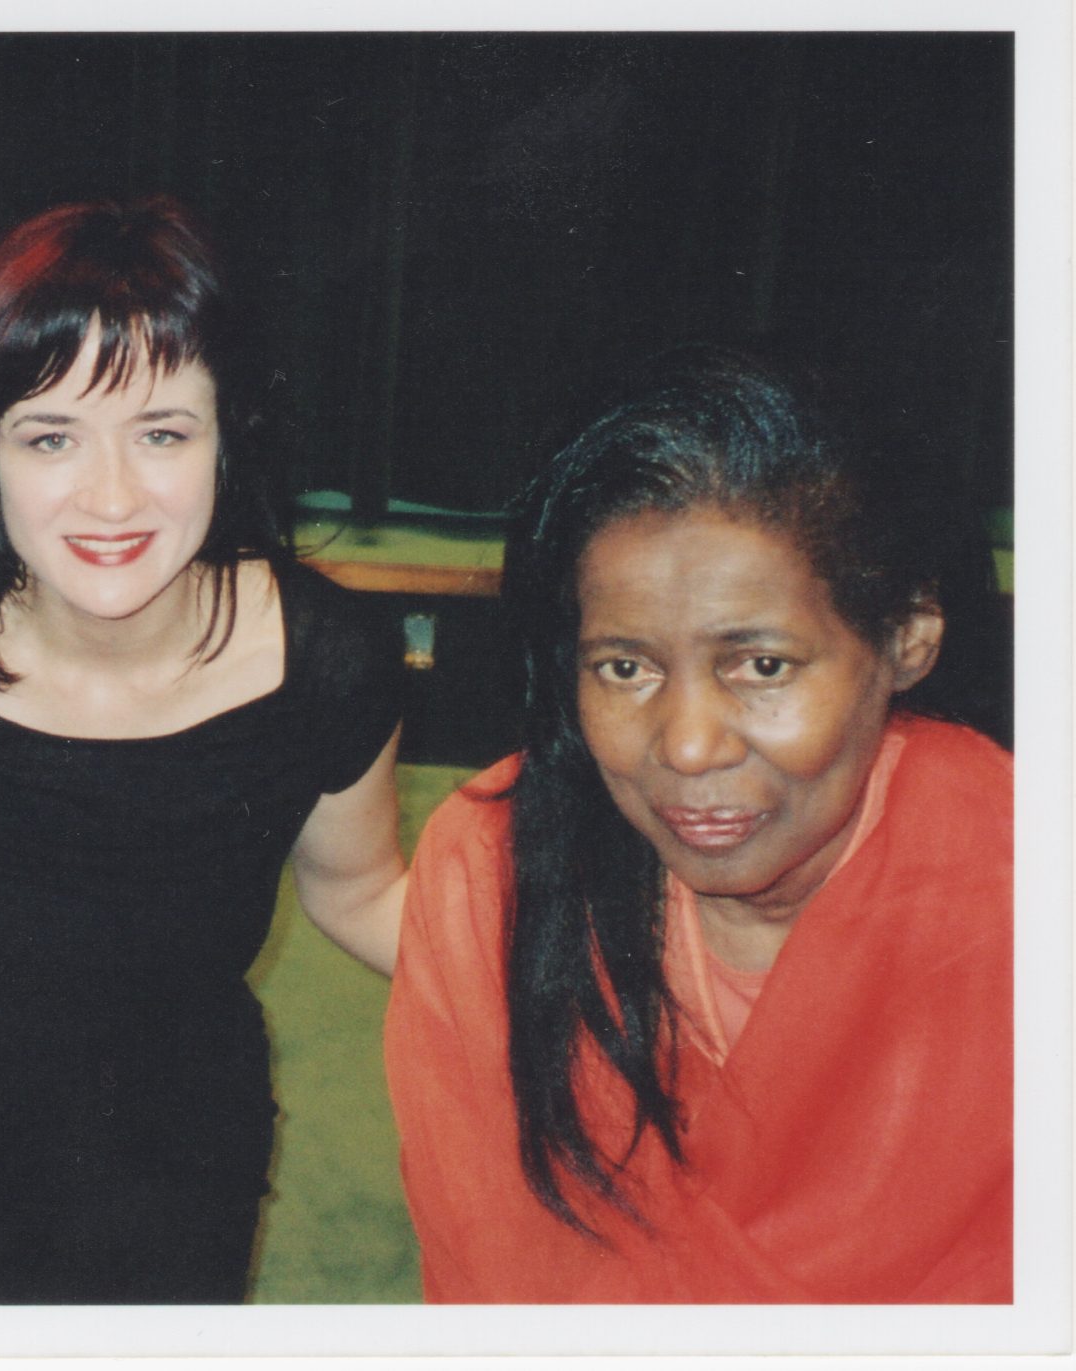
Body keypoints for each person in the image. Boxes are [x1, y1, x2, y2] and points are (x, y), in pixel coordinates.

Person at [0, 197, 408, 1303]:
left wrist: (599, 979)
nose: (110, 496)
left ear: (227, 437)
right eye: (50, 436)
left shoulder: (326, 660)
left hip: (179, 1147)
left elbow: (360, 892)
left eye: (162, 431)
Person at [385, 347, 1012, 1302]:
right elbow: (492, 1278)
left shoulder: (1020, 884)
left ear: (906, 639)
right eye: (624, 668)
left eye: (761, 666)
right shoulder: (492, 873)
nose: (684, 748)